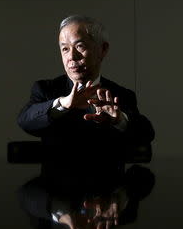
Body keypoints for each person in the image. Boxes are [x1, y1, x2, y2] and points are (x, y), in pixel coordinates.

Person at [17, 15, 154, 162]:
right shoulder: (46, 89)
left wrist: (119, 120)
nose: (71, 56)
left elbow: (146, 135)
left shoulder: (120, 95)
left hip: (108, 183)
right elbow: (25, 121)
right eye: (65, 49)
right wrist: (62, 104)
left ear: (103, 50)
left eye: (80, 46)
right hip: (56, 183)